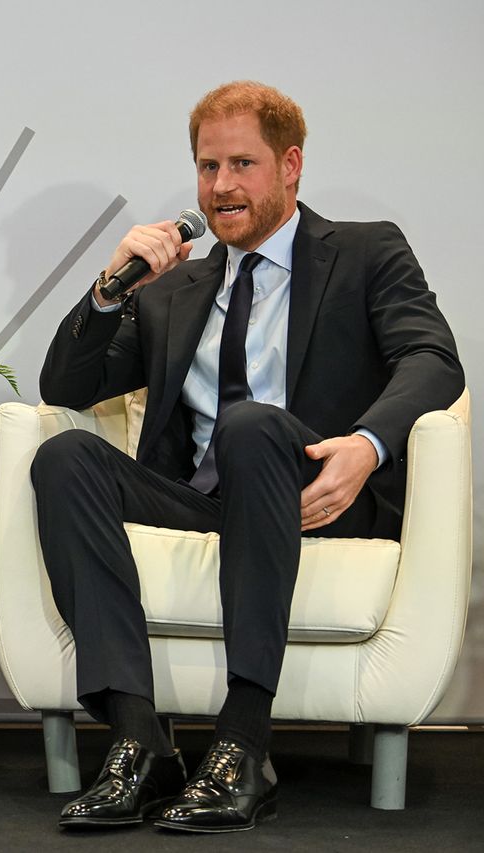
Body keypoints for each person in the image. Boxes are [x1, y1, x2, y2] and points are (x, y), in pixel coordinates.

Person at [31, 81, 463, 833]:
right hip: (203, 497)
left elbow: (433, 358)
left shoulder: (364, 251)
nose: (221, 186)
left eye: (242, 164)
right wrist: (110, 286)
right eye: (207, 167)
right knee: (66, 456)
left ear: (291, 166)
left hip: (311, 495)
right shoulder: (174, 290)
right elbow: (67, 384)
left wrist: (364, 448)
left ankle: (243, 743)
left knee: (253, 425)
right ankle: (138, 739)